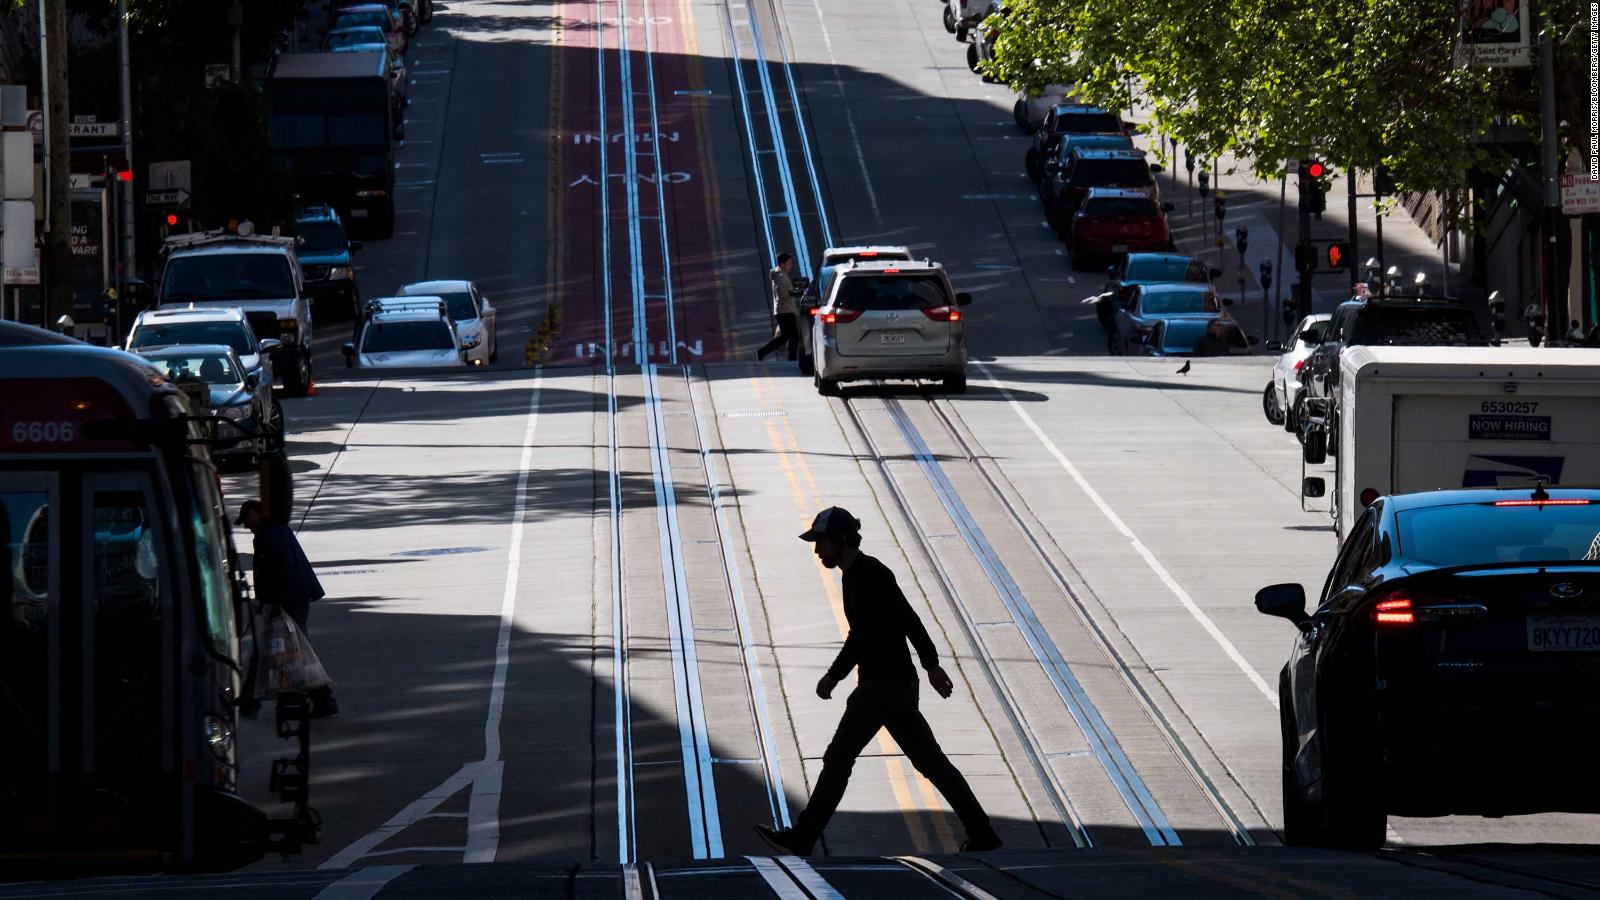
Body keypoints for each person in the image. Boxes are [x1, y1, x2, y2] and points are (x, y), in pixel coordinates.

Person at [756, 507, 1001, 856]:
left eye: (821, 543)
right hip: (894, 685)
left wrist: (834, 675)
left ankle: (803, 837)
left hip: (881, 686)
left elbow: (876, 630)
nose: (817, 551)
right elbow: (902, 622)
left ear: (841, 540)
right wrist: (929, 667)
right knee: (931, 762)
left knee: (839, 757)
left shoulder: (871, 575)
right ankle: (983, 834)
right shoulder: (855, 574)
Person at [236, 499, 338, 717]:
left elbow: (279, 569)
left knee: (293, 648)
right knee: (289, 648)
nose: (248, 527)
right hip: (290, 598)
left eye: (247, 521)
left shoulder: (268, 532)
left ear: (254, 514)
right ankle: (285, 697)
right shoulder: (273, 530)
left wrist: (271, 600)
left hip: (289, 599)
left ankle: (317, 697)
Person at [756, 251, 801, 362]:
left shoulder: (781, 275)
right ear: (782, 264)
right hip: (785, 310)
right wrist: (792, 293)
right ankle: (792, 358)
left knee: (785, 337)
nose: (791, 265)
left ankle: (762, 352)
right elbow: (781, 293)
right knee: (793, 335)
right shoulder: (780, 276)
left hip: (785, 309)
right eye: (789, 263)